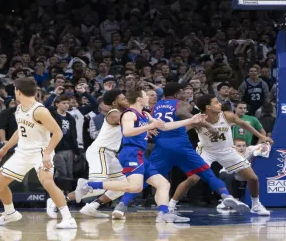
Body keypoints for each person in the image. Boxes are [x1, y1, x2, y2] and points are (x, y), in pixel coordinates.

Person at [112, 83, 250, 219]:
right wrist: (207, 125)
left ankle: (122, 205)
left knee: (147, 179)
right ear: (178, 93)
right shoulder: (181, 104)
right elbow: (183, 115)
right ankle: (226, 195)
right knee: (206, 173)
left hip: (162, 147)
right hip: (181, 145)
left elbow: (158, 124)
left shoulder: (156, 106)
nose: (184, 95)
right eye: (183, 92)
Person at [73, 86, 202, 223]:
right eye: (146, 96)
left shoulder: (145, 115)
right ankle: (89, 185)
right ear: (139, 99)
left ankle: (163, 214)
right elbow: (127, 132)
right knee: (135, 187)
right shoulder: (129, 114)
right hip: (131, 153)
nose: (149, 98)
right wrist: (149, 127)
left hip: (140, 154)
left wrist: (190, 121)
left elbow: (165, 126)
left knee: (163, 184)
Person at [0, 77, 77, 228]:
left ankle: (68, 218)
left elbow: (57, 133)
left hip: (40, 151)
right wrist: (4, 148)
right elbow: (19, 132)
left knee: (47, 182)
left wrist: (48, 153)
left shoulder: (40, 110)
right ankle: (10, 213)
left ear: (18, 91)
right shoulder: (19, 109)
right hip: (22, 152)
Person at [168, 94, 272, 215]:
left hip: (227, 150)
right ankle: (171, 205)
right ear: (208, 107)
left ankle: (256, 205)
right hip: (206, 151)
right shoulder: (198, 119)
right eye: (216, 102)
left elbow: (244, 124)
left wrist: (261, 136)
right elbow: (182, 129)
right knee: (193, 178)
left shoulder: (227, 115)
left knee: (253, 178)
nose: (220, 104)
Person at [46, 90, 128, 218]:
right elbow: (131, 124)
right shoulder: (114, 113)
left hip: (110, 154)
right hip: (100, 151)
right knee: (98, 187)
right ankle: (57, 201)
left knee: (123, 184)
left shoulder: (124, 113)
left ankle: (92, 207)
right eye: (123, 98)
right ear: (114, 102)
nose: (126, 100)